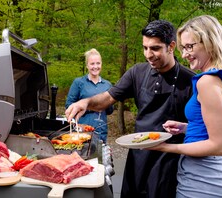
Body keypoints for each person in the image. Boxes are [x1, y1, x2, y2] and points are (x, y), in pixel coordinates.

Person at [66, 20, 195, 197]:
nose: (148, 54)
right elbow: (108, 98)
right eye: (145, 48)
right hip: (139, 154)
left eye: (155, 48)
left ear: (171, 46)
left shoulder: (191, 80)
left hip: (169, 159)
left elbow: (202, 127)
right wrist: (86, 102)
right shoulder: (137, 72)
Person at [147, 15, 222, 198]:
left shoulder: (206, 82)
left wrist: (166, 147)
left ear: (210, 42)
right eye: (183, 48)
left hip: (201, 181)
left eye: (190, 46)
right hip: (216, 177)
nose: (184, 54)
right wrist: (186, 129)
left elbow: (220, 145)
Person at [65, 48, 114, 143]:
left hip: (101, 132)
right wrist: (92, 106)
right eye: (92, 64)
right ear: (87, 65)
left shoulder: (107, 85)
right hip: (82, 132)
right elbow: (69, 106)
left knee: (100, 157)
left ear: (101, 64)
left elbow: (110, 110)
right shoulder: (78, 83)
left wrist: (108, 103)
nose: (95, 66)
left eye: (98, 63)